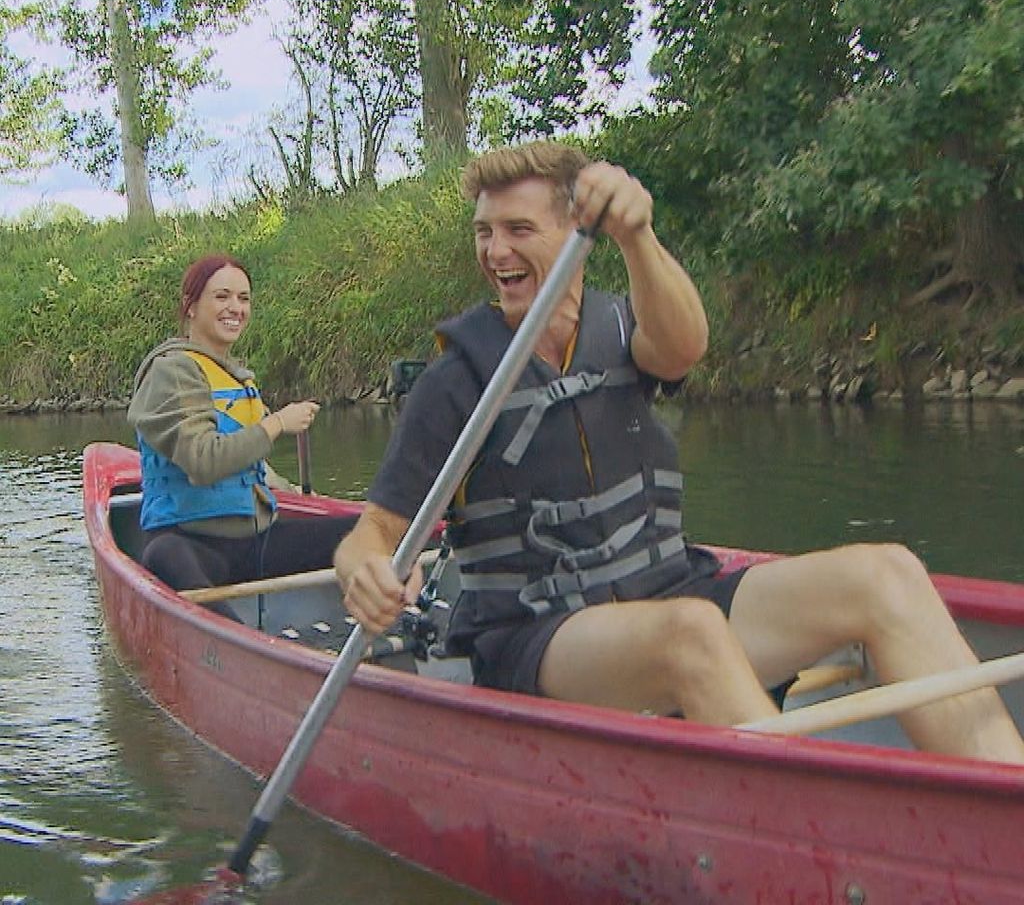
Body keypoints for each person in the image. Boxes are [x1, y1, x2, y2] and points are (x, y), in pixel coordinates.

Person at [333, 141, 1024, 763]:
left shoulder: (623, 324)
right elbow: (374, 535)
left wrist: (637, 233)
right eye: (484, 233)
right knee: (689, 633)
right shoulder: (456, 384)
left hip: (669, 589)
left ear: (578, 230)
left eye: (519, 230)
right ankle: (822, 840)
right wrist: (365, 573)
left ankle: (1001, 802)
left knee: (888, 574)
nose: (495, 252)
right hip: (538, 636)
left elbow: (685, 346)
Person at [128, 253, 355, 616]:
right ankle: (235, 645)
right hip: (191, 545)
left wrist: (288, 490)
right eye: (222, 297)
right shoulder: (171, 372)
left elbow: (249, 465)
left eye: (243, 298)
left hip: (252, 542)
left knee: (367, 530)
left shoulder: (237, 377)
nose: (235, 307)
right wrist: (278, 422)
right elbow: (204, 461)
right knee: (165, 556)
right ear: (190, 306)